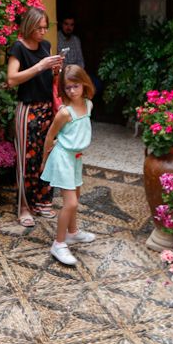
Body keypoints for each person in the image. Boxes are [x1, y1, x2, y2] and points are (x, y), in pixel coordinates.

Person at [6, 7, 66, 228]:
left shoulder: (46, 46)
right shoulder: (18, 48)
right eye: (39, 27)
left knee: (46, 155)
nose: (43, 31)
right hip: (28, 109)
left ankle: (42, 200)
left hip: (46, 108)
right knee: (25, 158)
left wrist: (55, 69)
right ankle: (23, 206)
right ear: (29, 26)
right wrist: (40, 65)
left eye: (45, 27)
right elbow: (12, 79)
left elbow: (49, 79)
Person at [40, 65, 98, 266]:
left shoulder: (88, 105)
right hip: (63, 157)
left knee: (77, 196)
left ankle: (72, 232)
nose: (72, 91)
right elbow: (50, 136)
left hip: (76, 157)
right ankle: (59, 243)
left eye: (75, 86)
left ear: (84, 84)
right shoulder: (65, 113)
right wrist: (44, 160)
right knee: (70, 203)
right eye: (67, 88)